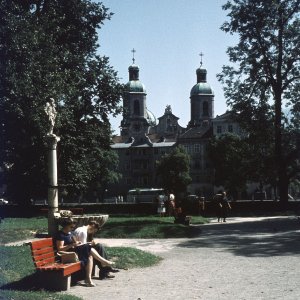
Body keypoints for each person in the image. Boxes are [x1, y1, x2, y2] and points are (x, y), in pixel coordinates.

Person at [55, 218, 115, 287]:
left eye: (73, 227)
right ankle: (103, 262)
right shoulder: (61, 235)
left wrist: (77, 243)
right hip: (67, 255)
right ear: (65, 226)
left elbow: (74, 243)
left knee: (90, 256)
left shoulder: (69, 233)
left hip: (74, 252)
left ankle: (89, 279)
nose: (72, 228)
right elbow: (60, 249)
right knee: (88, 248)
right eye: (71, 227)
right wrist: (72, 245)